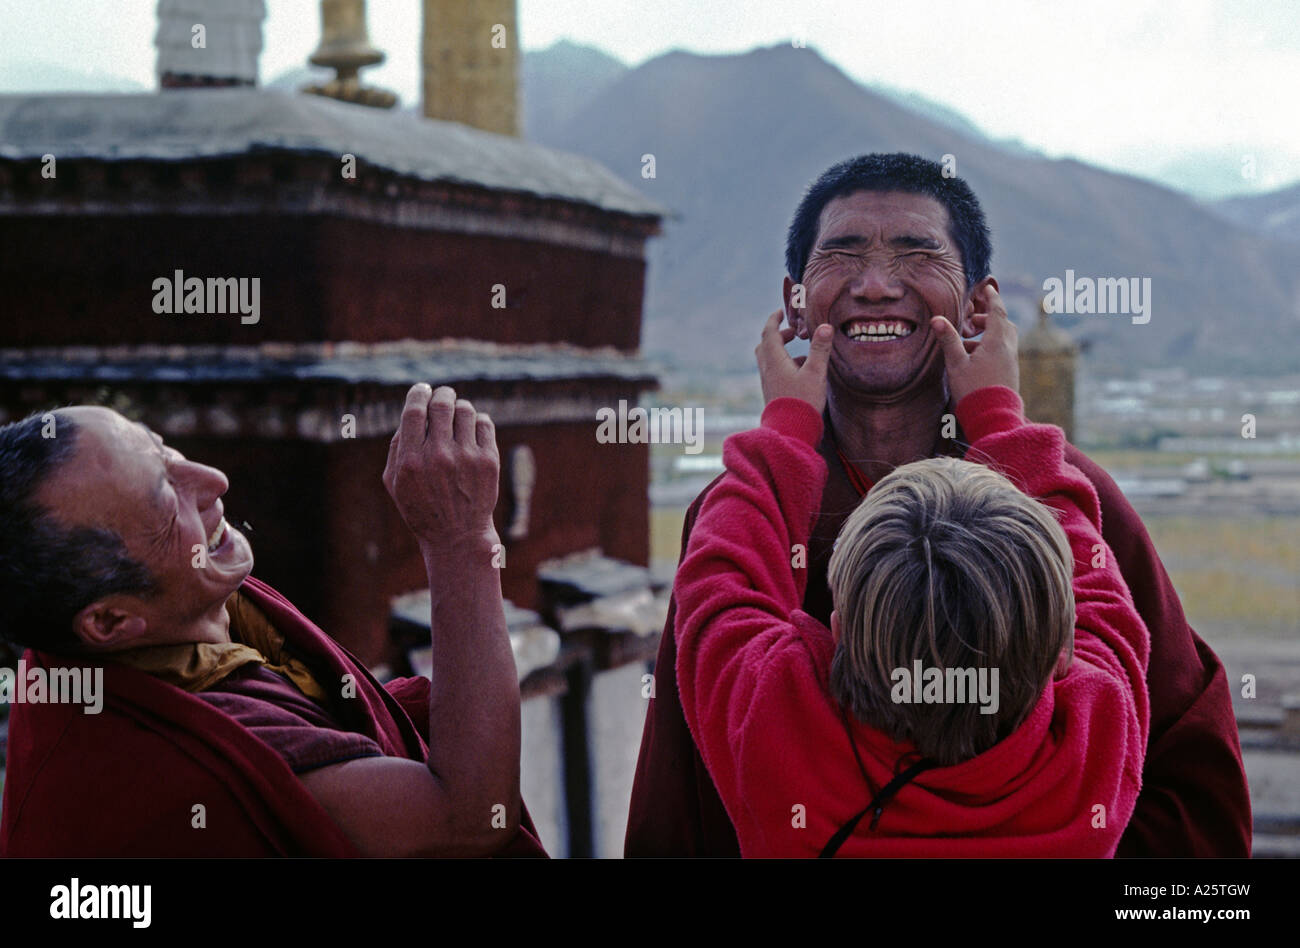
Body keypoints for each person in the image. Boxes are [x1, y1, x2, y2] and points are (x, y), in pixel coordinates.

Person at [626, 152, 1251, 857]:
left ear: (978, 305)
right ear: (795, 301)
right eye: (843, 254)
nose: (876, 285)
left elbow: (1192, 770)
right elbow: (679, 794)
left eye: (917, 253)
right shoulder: (745, 507)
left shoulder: (1080, 495)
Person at [675, 304, 1148, 856]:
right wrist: (996, 411)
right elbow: (1099, 593)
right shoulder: (1096, 741)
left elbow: (720, 587)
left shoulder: (777, 731)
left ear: (837, 632)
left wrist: (787, 422)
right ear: (1062, 653)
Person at [0, 383, 546, 857]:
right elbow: (467, 819)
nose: (213, 481)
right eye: (168, 503)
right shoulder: (171, 768)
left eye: (164, 451)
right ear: (112, 621)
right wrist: (461, 540)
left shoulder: (176, 621)